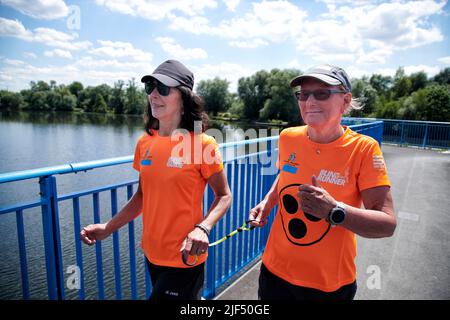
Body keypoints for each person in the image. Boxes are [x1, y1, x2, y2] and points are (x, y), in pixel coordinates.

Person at [80, 59, 232, 300]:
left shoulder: (202, 143)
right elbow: (142, 196)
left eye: (163, 89)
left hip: (184, 256)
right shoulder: (145, 142)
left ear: (184, 100)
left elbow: (224, 196)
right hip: (152, 253)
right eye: (150, 87)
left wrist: (203, 228)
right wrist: (108, 228)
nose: (153, 95)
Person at [249, 64, 396, 300]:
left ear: (346, 101)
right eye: (303, 94)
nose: (310, 102)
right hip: (275, 272)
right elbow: (285, 174)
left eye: (322, 93)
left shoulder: (364, 149)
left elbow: (387, 224)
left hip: (328, 284)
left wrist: (334, 210)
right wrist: (267, 203)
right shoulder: (288, 137)